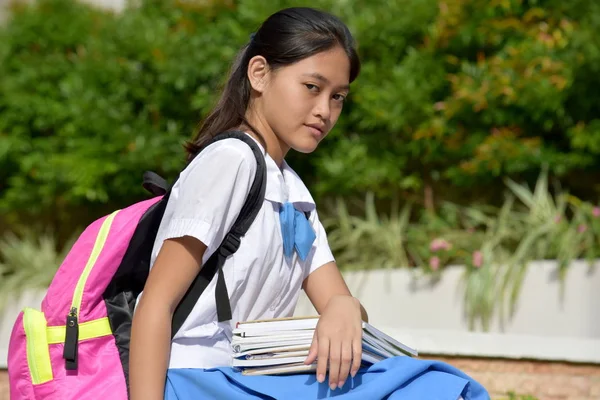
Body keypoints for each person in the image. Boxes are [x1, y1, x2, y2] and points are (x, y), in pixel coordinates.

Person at [129, 6, 489, 400]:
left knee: (436, 385)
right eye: (312, 88)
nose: (325, 111)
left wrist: (347, 309)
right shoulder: (230, 160)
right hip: (201, 379)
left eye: (338, 97)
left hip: (256, 379)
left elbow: (336, 300)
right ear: (259, 74)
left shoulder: (293, 190)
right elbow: (155, 305)